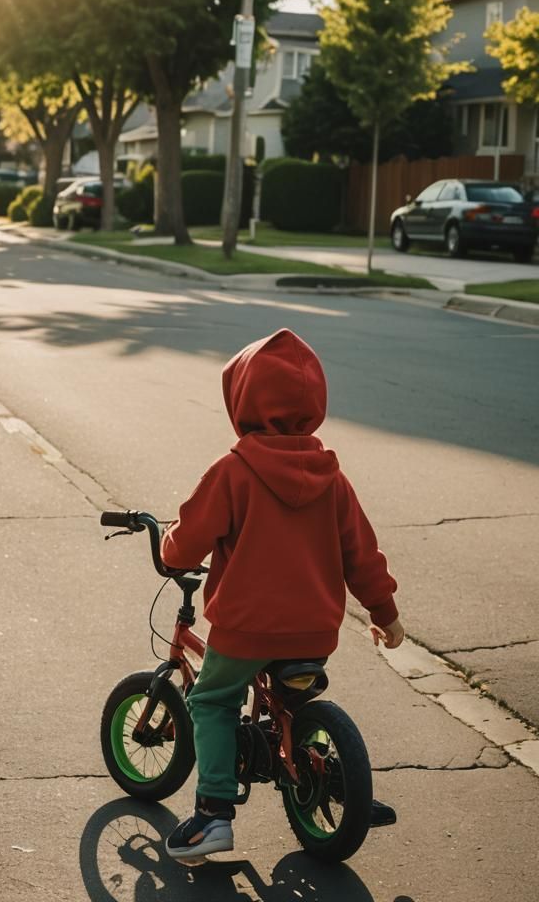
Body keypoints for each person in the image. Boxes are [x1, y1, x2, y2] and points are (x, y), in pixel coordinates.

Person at [159, 328, 404, 864]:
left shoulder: (233, 472)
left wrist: (170, 552)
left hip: (247, 627)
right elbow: (362, 554)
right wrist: (385, 613)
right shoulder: (333, 479)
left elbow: (189, 539)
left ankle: (213, 815)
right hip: (314, 629)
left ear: (240, 401)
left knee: (212, 700)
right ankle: (335, 778)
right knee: (293, 699)